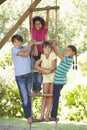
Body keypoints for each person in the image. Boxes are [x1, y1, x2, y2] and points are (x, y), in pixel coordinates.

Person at [11, 34, 36, 124]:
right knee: (24, 97)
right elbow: (25, 54)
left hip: (29, 75)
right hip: (20, 76)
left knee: (28, 96)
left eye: (19, 41)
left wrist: (33, 43)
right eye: (15, 42)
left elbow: (35, 52)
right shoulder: (13, 49)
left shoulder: (25, 47)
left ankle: (30, 115)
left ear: (21, 41)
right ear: (13, 43)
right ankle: (28, 117)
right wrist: (29, 46)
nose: (17, 43)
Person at [50, 41, 77, 121]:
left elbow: (58, 53)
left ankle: (53, 116)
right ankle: (52, 115)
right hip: (58, 81)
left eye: (68, 50)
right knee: (54, 97)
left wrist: (54, 46)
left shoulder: (68, 60)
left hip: (58, 82)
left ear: (73, 53)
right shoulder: (67, 59)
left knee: (55, 98)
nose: (66, 51)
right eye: (66, 50)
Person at [34, 41, 57, 121]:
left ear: (50, 48)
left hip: (53, 76)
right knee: (45, 95)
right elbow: (36, 66)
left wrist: (48, 70)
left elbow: (54, 66)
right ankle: (41, 115)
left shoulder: (53, 54)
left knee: (50, 95)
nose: (46, 49)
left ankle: (47, 115)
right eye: (45, 48)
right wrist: (44, 70)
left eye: (48, 47)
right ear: (43, 49)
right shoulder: (42, 55)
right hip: (46, 76)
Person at [29, 7, 50, 94]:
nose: (37, 25)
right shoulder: (32, 30)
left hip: (41, 53)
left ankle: (37, 89)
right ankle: (33, 88)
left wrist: (47, 11)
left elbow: (47, 22)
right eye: (36, 24)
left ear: (42, 24)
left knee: (39, 72)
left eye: (39, 24)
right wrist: (30, 13)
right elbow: (30, 21)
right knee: (33, 70)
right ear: (33, 25)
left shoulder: (44, 31)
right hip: (34, 52)